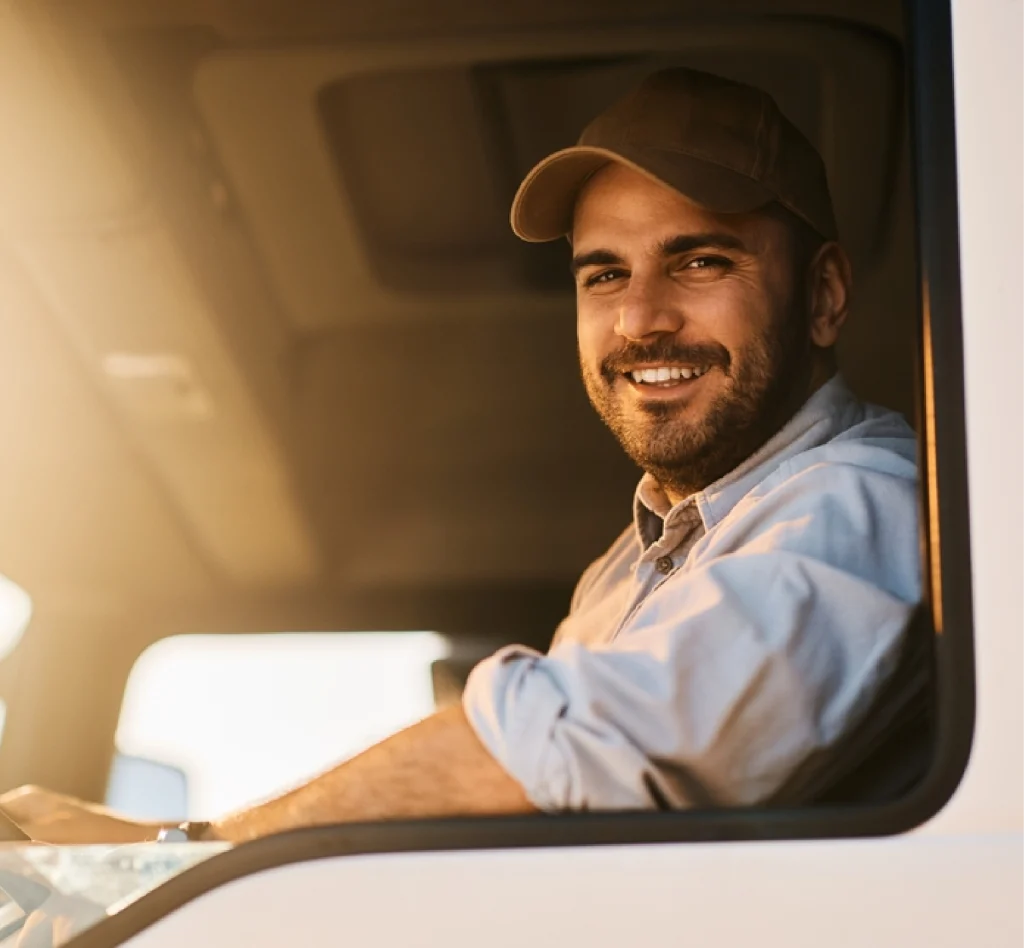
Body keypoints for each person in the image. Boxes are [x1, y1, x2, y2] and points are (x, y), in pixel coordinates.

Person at [0, 67, 919, 844]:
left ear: (825, 294)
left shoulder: (865, 501)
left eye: (700, 262)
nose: (640, 318)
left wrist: (176, 853)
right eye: (604, 273)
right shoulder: (632, 567)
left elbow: (570, 744)